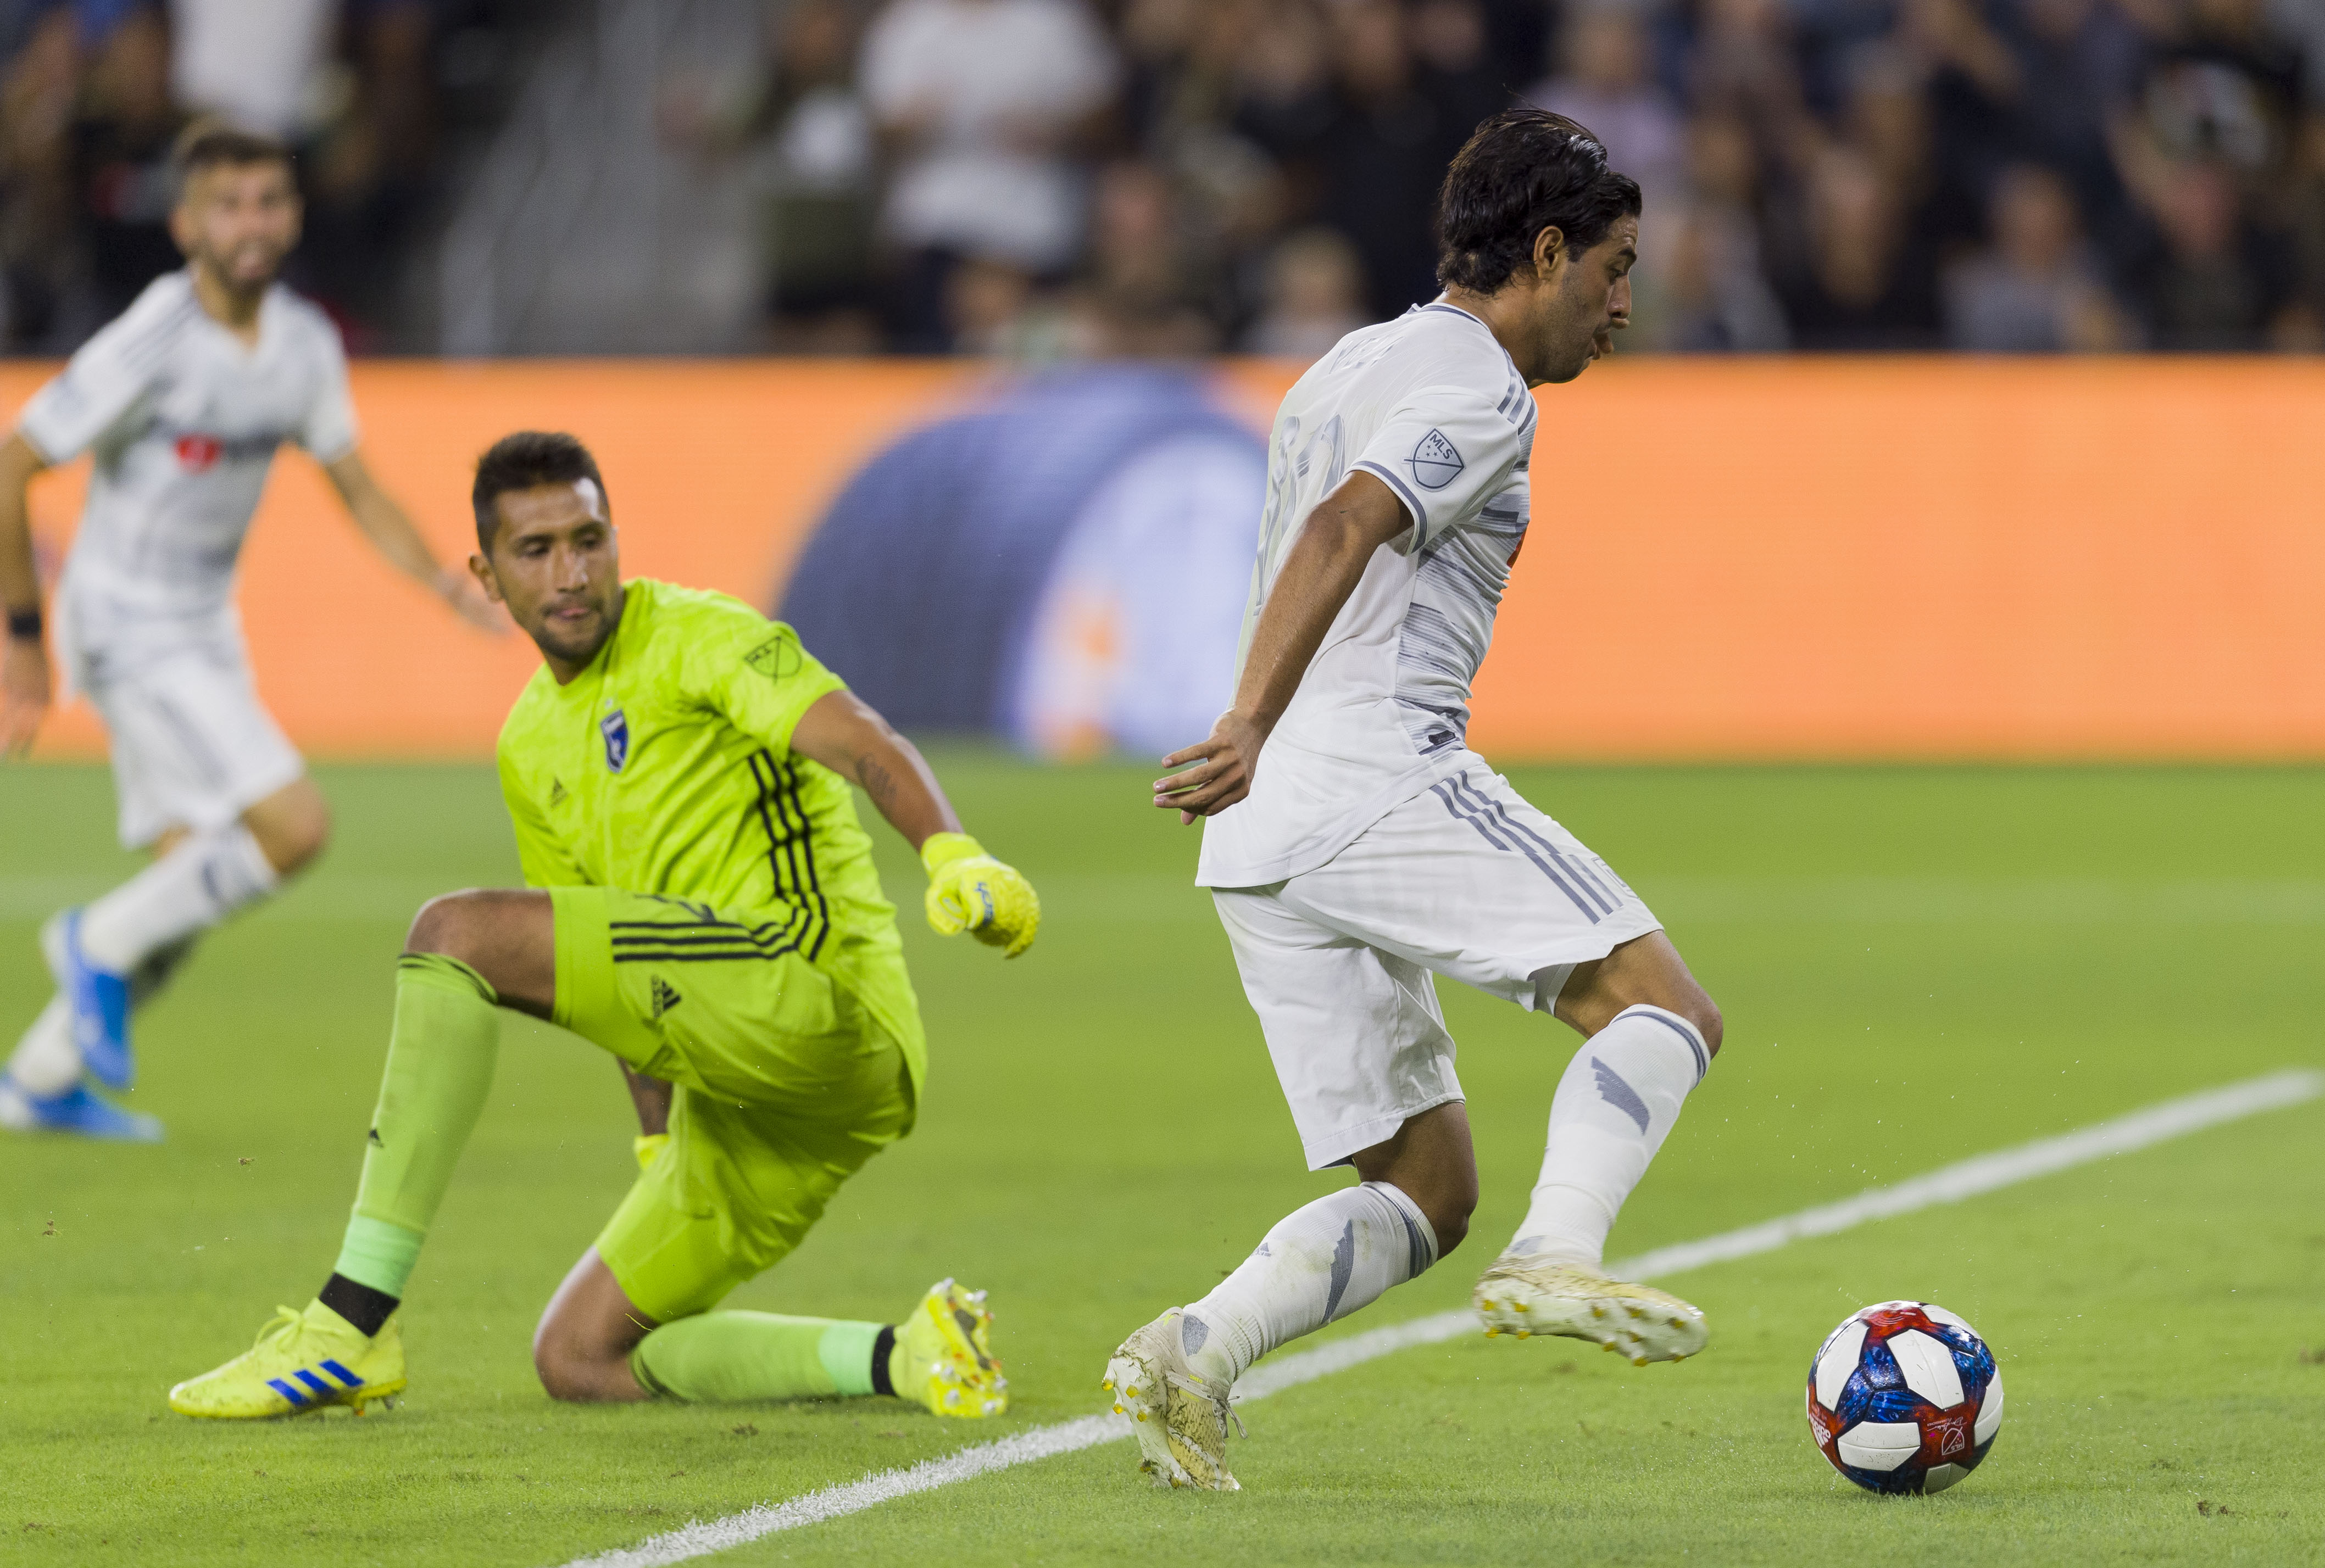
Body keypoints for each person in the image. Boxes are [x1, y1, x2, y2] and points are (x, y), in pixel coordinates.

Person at [167, 431, 1040, 1420]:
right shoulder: (529, 746)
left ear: (617, 538)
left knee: (452, 934)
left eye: (588, 540)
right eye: (535, 552)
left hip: (812, 995)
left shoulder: (699, 636)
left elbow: (863, 741)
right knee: (581, 1357)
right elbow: (607, 964)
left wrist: (951, 852)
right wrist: (657, 1141)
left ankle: (349, 1324)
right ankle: (912, 1354)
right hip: (771, 1095)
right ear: (486, 576)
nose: (571, 574)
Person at [1105, 110, 1725, 1491]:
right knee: (1666, 1009)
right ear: (1547, 251)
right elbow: (1344, 528)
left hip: (1258, 839)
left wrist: (1256, 748)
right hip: (1364, 773)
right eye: (1614, 269)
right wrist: (1251, 723)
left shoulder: (1346, 361)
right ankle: (1560, 1260)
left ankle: (1192, 1351)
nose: (1626, 304)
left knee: (1426, 1184)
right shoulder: (1481, 388)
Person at [0, 126, 505, 1142]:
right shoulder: (157, 333)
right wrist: (22, 633)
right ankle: (88, 941)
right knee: (293, 828)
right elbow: (15, 460)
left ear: (294, 215)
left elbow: (356, 486)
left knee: (191, 887)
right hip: (125, 619)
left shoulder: (304, 346)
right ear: (186, 224)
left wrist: (446, 584)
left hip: (203, 627)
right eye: (228, 204)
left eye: (269, 201)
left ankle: (38, 1082)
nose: (252, 222)